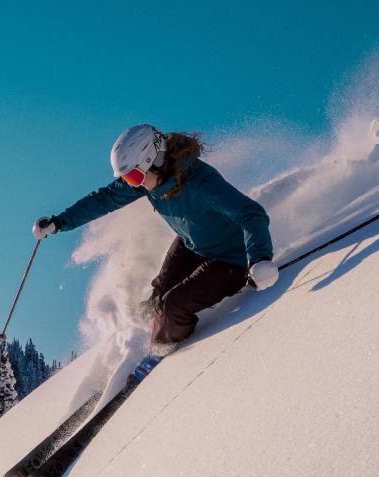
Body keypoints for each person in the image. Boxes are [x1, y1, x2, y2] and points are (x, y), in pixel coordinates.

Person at [32, 124, 277, 349]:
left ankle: (161, 354)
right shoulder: (151, 180)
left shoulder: (201, 182)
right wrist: (59, 222)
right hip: (193, 244)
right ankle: (144, 341)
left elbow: (250, 212)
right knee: (156, 297)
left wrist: (259, 258)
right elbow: (104, 199)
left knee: (171, 307)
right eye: (127, 179)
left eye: (134, 177)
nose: (132, 184)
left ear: (155, 159)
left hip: (232, 260)